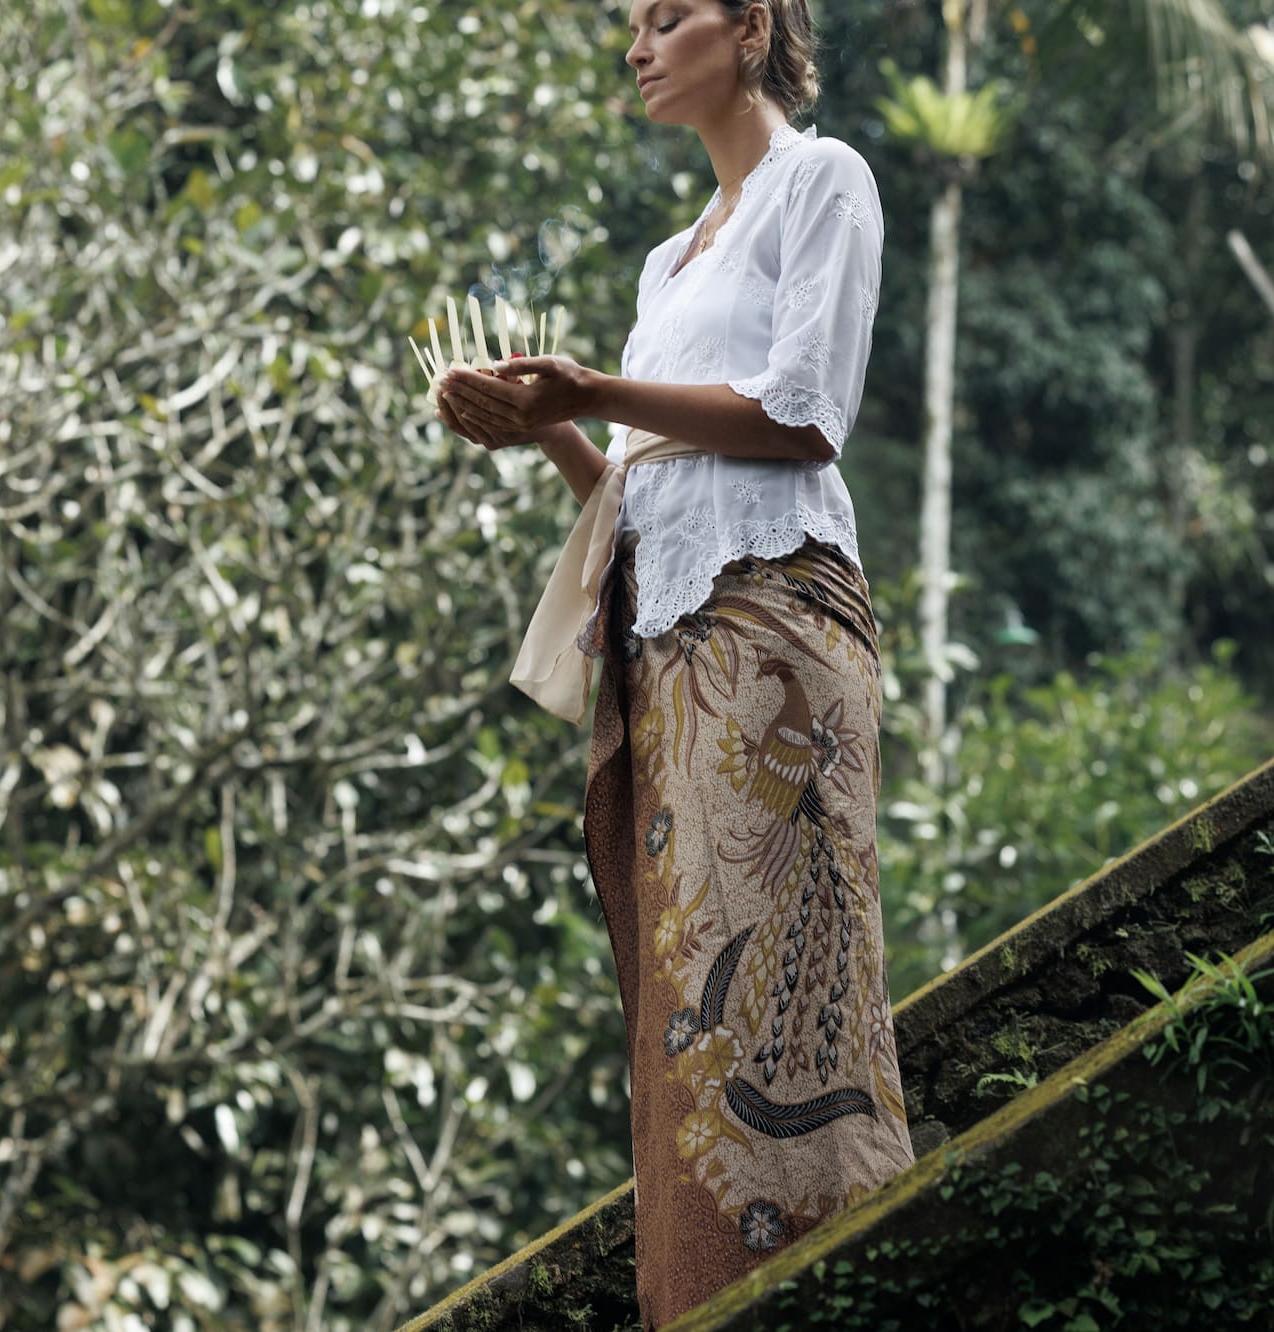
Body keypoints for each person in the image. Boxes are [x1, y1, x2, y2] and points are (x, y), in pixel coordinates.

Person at [435, 0, 916, 1323]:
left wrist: (590, 390)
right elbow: (640, 499)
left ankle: (824, 1267)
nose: (637, 46)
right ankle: (707, 1290)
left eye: (665, 17)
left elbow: (804, 418)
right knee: (692, 1005)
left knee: (773, 975)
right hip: (672, 645)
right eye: (628, 27)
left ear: (752, 25)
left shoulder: (823, 181)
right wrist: (539, 426)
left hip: (774, 631)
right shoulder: (666, 266)